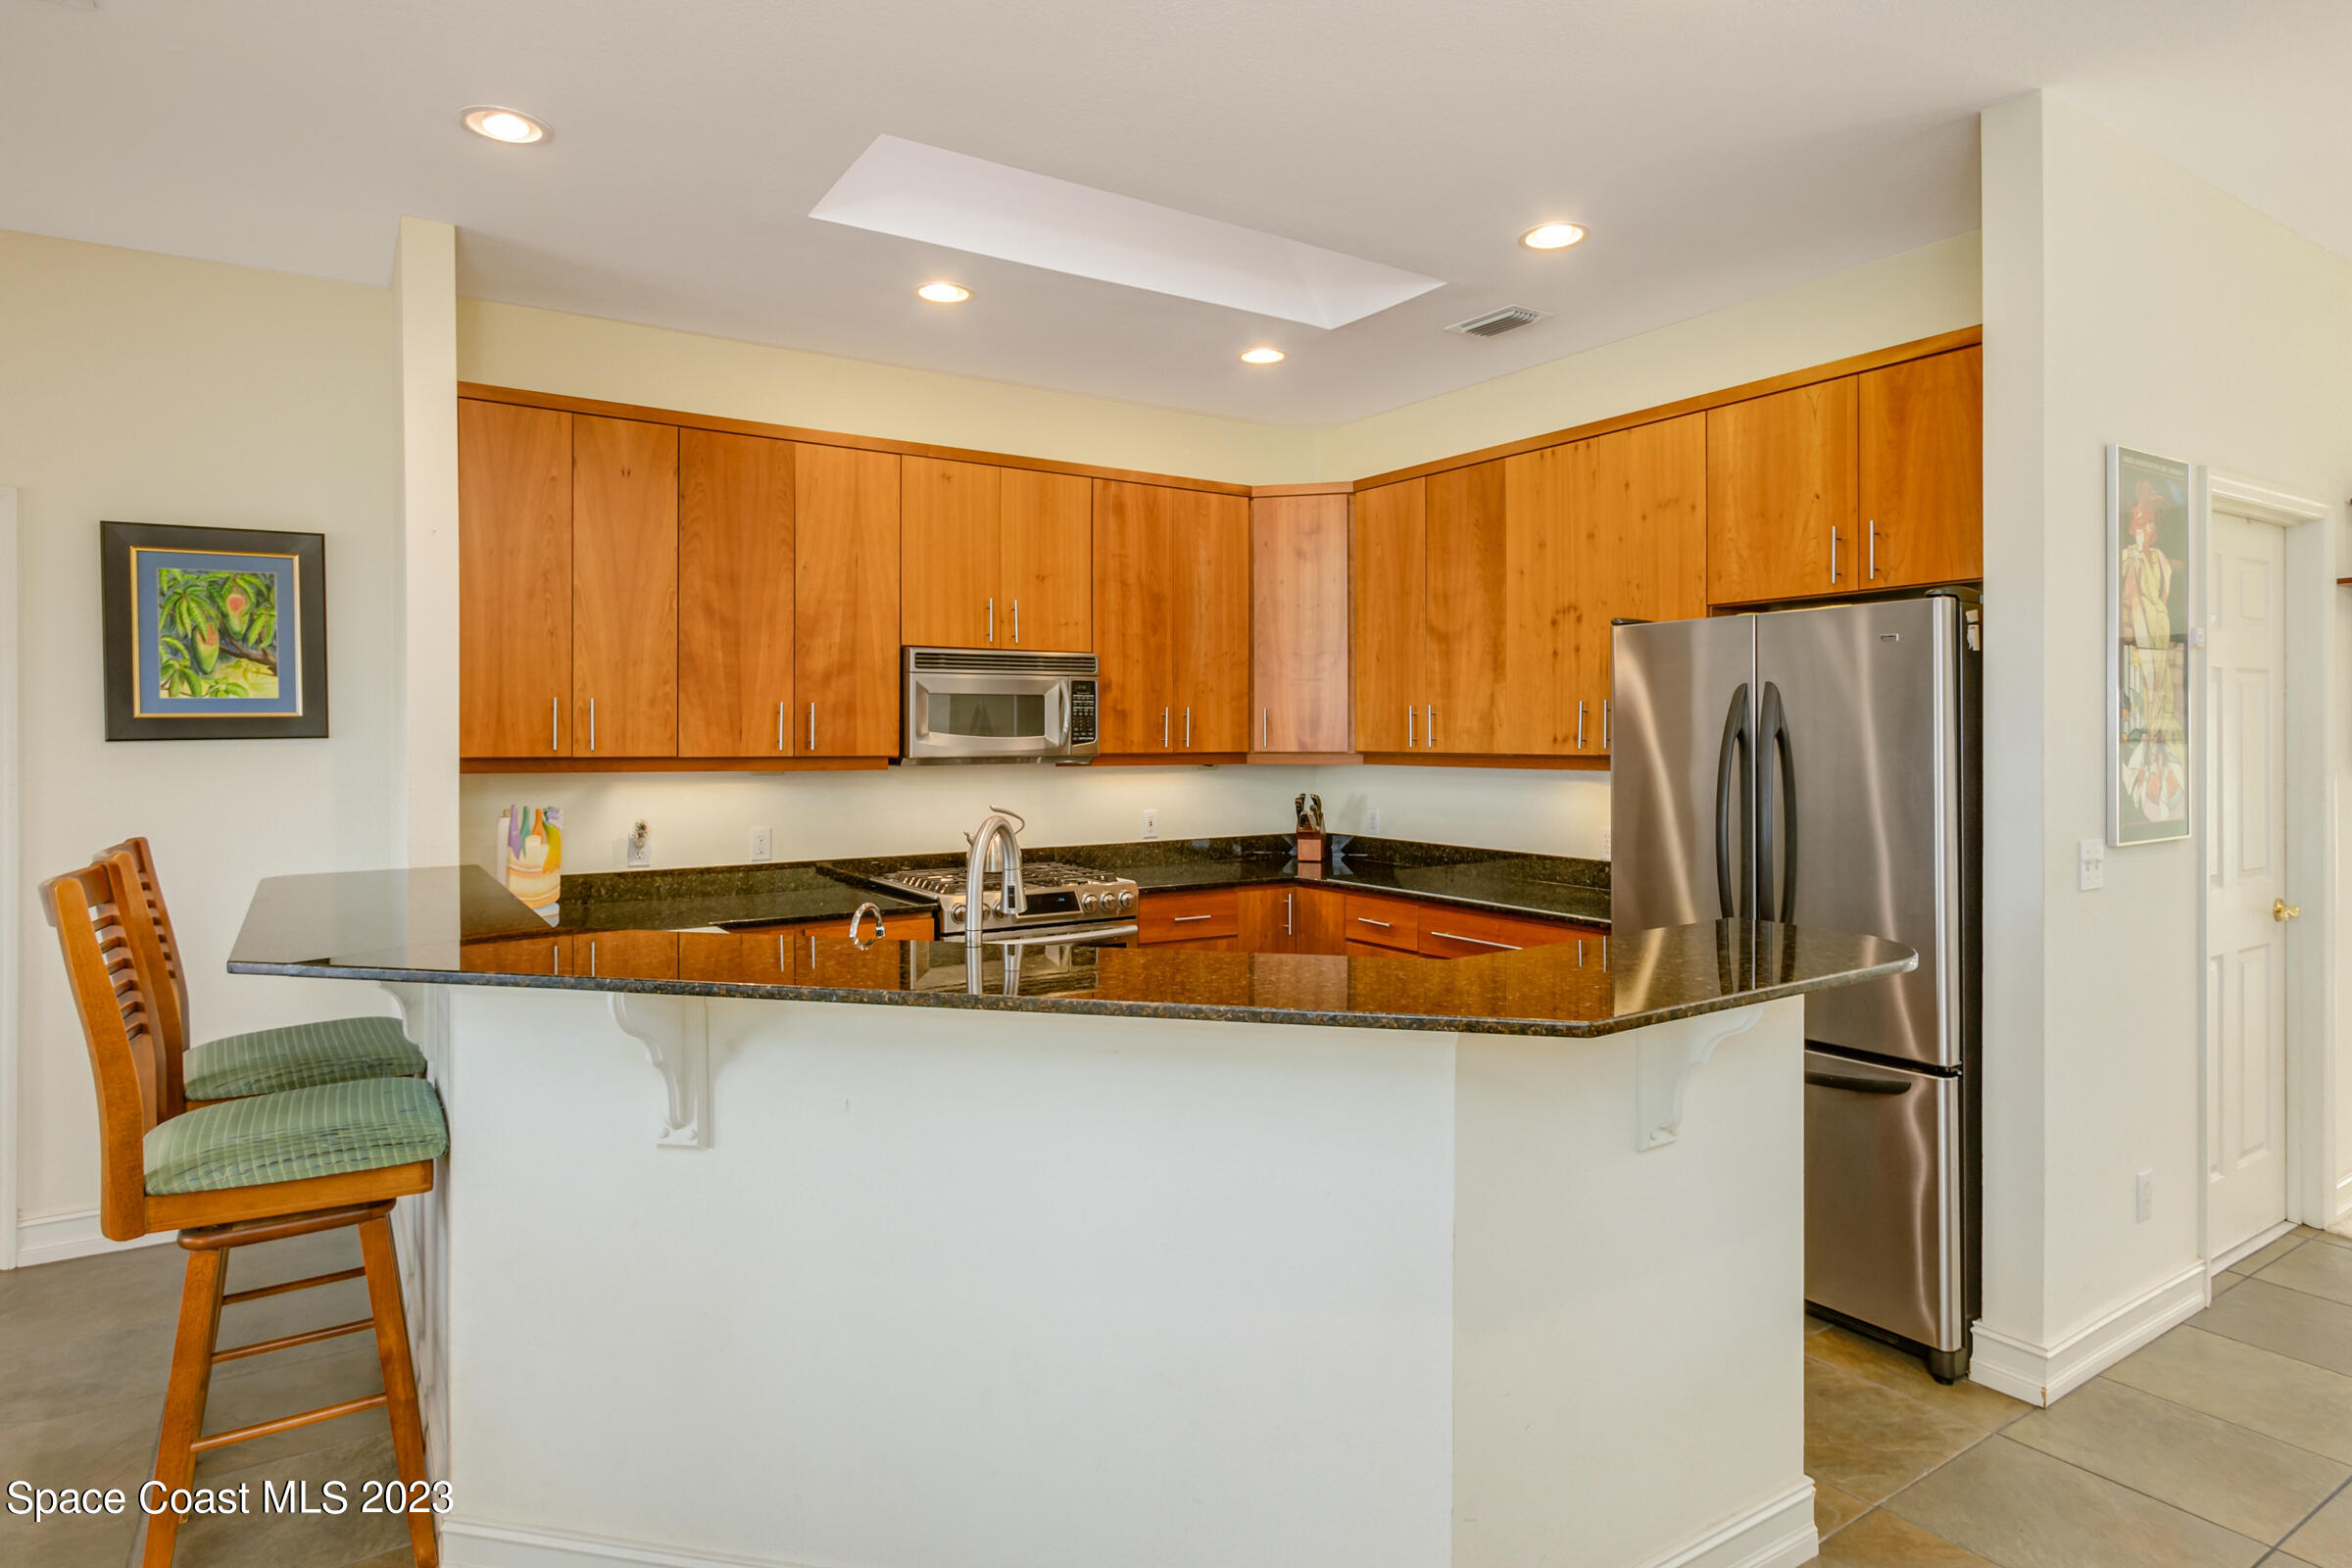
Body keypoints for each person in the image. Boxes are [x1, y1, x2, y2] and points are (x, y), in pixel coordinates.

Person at [2119, 477, 2182, 824]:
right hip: (2142, 632)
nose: (2142, 528)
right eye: (2138, 521)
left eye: (2147, 522)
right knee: (2149, 691)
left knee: (2162, 693)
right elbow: (2129, 594)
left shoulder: (2159, 559)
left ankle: (2161, 741)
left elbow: (2164, 594)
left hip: (2156, 624)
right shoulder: (2130, 558)